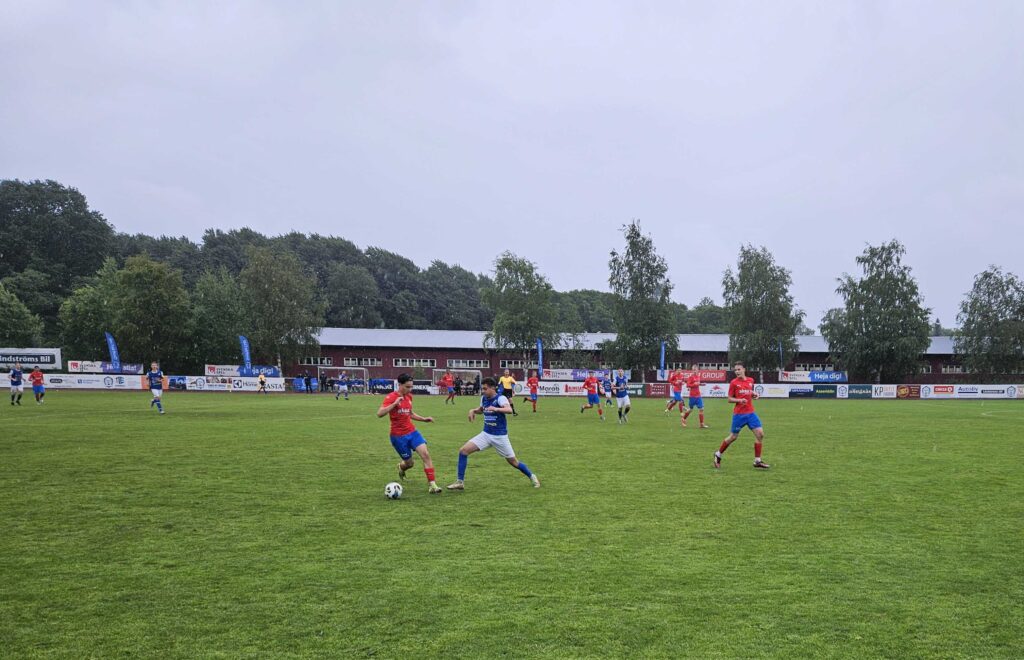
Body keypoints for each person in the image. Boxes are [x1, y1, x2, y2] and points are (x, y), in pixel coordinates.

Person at [447, 377, 540, 491]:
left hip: (500, 437)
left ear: (492, 388)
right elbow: (482, 409)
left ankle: (532, 476)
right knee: (463, 451)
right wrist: (473, 410)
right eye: (482, 388)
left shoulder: (500, 398)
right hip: (486, 434)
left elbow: (509, 410)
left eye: (485, 389)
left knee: (513, 462)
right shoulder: (484, 398)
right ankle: (460, 482)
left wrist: (496, 409)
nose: (483, 391)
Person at [377, 373, 442, 494]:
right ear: (400, 385)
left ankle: (433, 485)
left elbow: (410, 413)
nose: (410, 389)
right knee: (409, 463)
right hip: (398, 437)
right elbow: (379, 414)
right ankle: (401, 467)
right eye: (407, 387)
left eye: (411, 386)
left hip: (412, 432)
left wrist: (423, 419)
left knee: (426, 455)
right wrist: (394, 404)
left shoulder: (409, 397)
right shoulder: (391, 397)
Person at [714, 361, 770, 469]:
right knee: (733, 437)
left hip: (751, 413)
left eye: (739, 369)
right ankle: (718, 454)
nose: (737, 371)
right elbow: (729, 399)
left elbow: (749, 392)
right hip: (739, 415)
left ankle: (757, 461)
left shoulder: (750, 380)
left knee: (760, 434)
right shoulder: (733, 383)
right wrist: (739, 400)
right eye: (735, 370)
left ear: (744, 369)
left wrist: (754, 394)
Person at [681, 364, 709, 428]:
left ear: (697, 370)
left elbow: (697, 384)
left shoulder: (698, 377)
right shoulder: (691, 377)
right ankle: (683, 418)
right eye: (693, 370)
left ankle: (701, 424)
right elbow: (687, 385)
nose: (694, 371)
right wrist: (694, 384)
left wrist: (701, 384)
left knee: (701, 409)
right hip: (692, 396)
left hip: (698, 396)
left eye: (695, 370)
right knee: (690, 409)